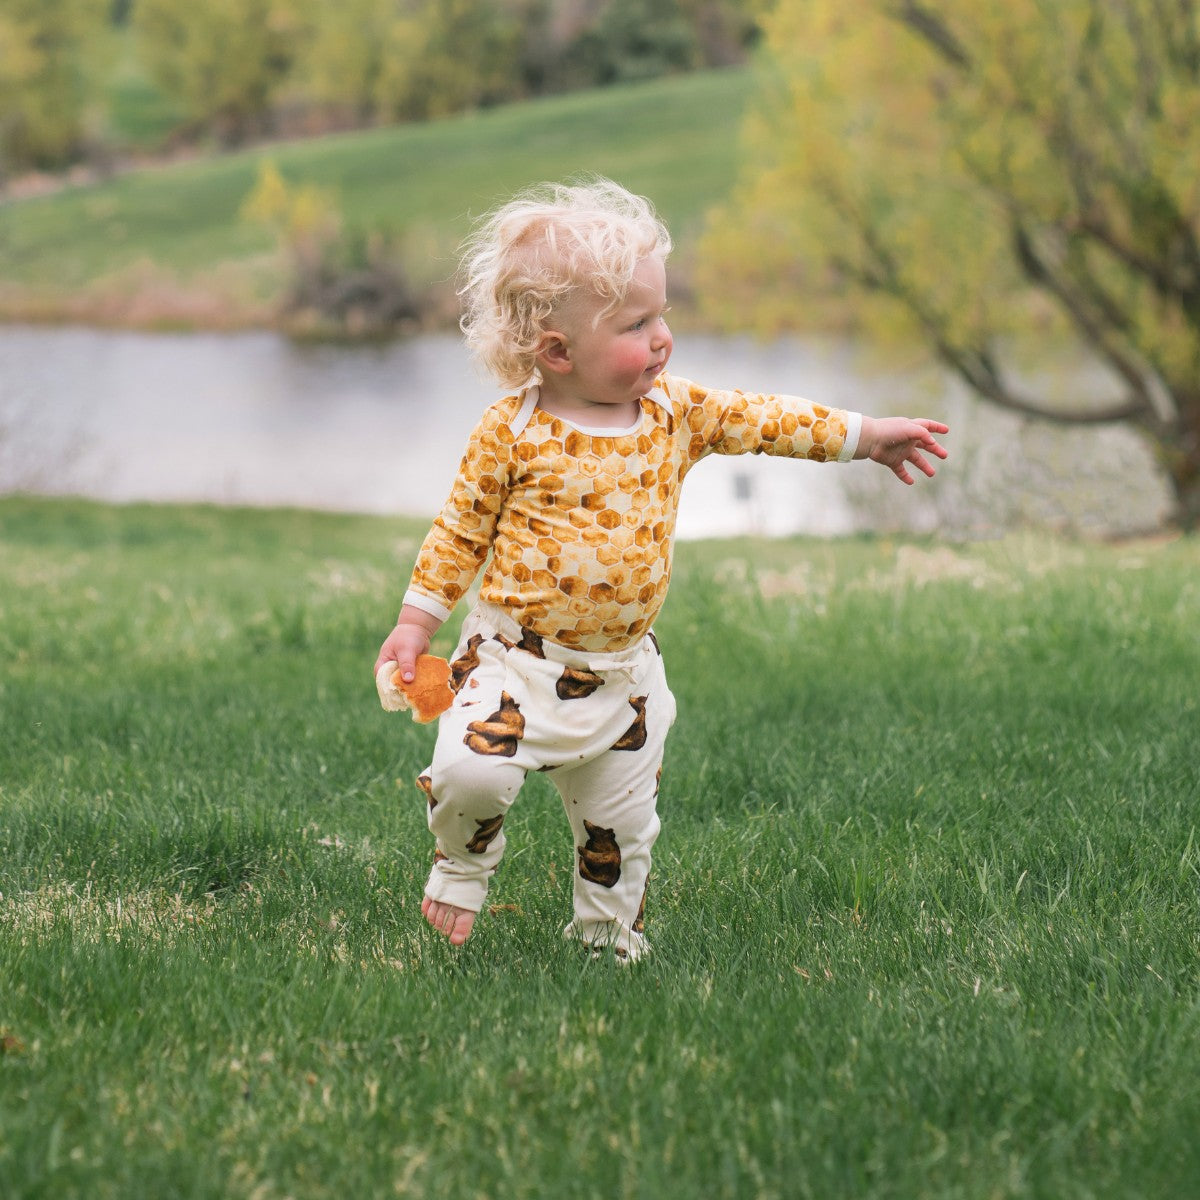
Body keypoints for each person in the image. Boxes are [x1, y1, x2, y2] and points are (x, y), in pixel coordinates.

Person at [374, 178, 947, 960]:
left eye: (662, 315)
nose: (662, 337)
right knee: (471, 778)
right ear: (556, 350)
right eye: (636, 323)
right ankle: (463, 867)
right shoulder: (510, 431)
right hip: (514, 663)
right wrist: (415, 624)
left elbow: (767, 420)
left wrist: (865, 434)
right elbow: (458, 533)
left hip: (622, 682)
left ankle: (607, 944)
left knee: (621, 830)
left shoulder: (676, 413)